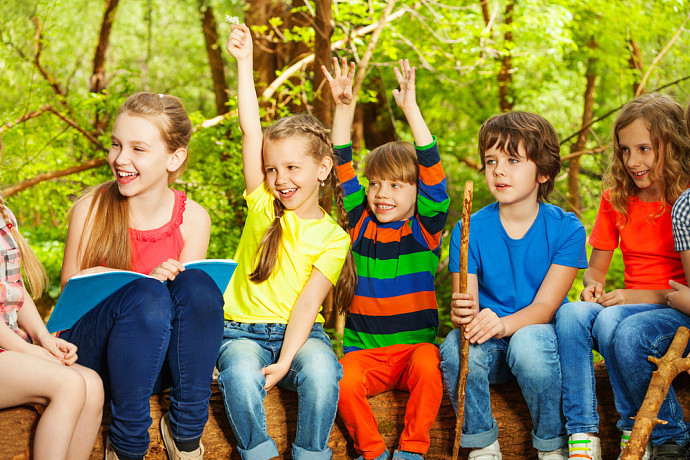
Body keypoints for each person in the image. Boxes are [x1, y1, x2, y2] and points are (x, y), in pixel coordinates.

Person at [59, 92, 224, 460]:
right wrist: (137, 282)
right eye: (116, 144)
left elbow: (186, 314)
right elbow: (69, 299)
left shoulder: (194, 218)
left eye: (138, 149)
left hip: (155, 358)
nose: (121, 159)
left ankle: (185, 434)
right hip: (92, 354)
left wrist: (166, 283)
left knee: (197, 284)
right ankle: (127, 444)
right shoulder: (91, 208)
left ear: (174, 157)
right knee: (145, 295)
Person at [216, 24, 354, 460]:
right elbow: (250, 130)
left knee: (320, 368)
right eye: (273, 170)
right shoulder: (262, 205)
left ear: (323, 168)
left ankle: (310, 452)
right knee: (238, 373)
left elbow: (308, 305)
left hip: (301, 333)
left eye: (293, 168)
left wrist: (284, 360)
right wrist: (244, 63)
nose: (280, 179)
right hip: (239, 332)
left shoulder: (333, 236)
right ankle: (257, 450)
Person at [321, 57, 449, 460]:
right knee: (339, 380)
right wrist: (344, 107)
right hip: (365, 354)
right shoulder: (360, 225)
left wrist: (411, 109)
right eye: (375, 183)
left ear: (416, 192)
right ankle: (372, 452)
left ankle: (412, 450)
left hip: (414, 353)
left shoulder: (424, 231)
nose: (381, 193)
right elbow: (342, 162)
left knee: (432, 363)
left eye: (395, 185)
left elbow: (432, 170)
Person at [440, 111, 587, 460]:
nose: (498, 170)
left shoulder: (567, 229)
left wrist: (504, 324)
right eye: (491, 160)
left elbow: (546, 308)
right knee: (451, 349)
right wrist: (461, 311)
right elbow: (468, 310)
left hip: (540, 342)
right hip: (490, 345)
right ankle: (482, 446)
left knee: (527, 345)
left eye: (513, 160)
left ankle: (552, 446)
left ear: (544, 172)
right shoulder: (468, 228)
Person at [555, 93, 690, 460]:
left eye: (645, 148)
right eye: (625, 151)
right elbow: (596, 266)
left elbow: (684, 292)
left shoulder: (684, 202)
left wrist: (636, 296)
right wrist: (593, 285)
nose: (633, 161)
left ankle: (645, 430)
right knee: (569, 314)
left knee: (616, 319)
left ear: (673, 145)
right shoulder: (616, 196)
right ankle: (583, 434)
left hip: (672, 310)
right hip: (631, 306)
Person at [0, 136, 103, 460]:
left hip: (11, 347)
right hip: (7, 350)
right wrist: (30, 353)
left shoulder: (3, 213)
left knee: (92, 384)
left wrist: (43, 339)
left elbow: (14, 290)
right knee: (69, 384)